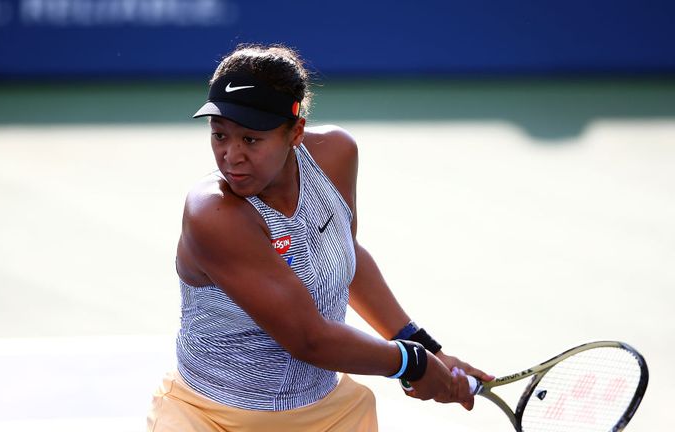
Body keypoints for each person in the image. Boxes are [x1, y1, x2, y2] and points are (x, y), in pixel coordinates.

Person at [147, 43, 493, 432]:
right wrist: (412, 364)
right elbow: (308, 339)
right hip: (209, 418)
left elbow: (346, 258)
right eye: (220, 135)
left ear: (295, 132)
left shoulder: (335, 155)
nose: (231, 156)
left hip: (329, 415)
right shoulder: (213, 214)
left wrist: (428, 349)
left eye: (251, 139)